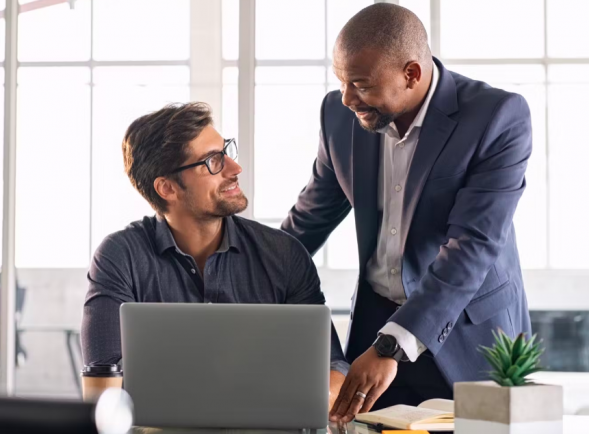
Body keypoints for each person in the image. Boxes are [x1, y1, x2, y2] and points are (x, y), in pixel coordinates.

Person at [281, 3, 532, 423]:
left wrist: (392, 346)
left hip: (468, 331)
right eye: (341, 82)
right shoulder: (338, 116)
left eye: (359, 84)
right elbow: (309, 219)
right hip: (374, 326)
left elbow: (472, 245)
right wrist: (240, 270)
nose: (346, 98)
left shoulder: (496, 117)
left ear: (411, 74)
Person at [81, 102, 348, 405]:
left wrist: (318, 399)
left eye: (226, 152)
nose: (235, 169)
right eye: (212, 161)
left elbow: (331, 366)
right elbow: (104, 381)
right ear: (167, 188)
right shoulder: (119, 257)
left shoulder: (284, 254)